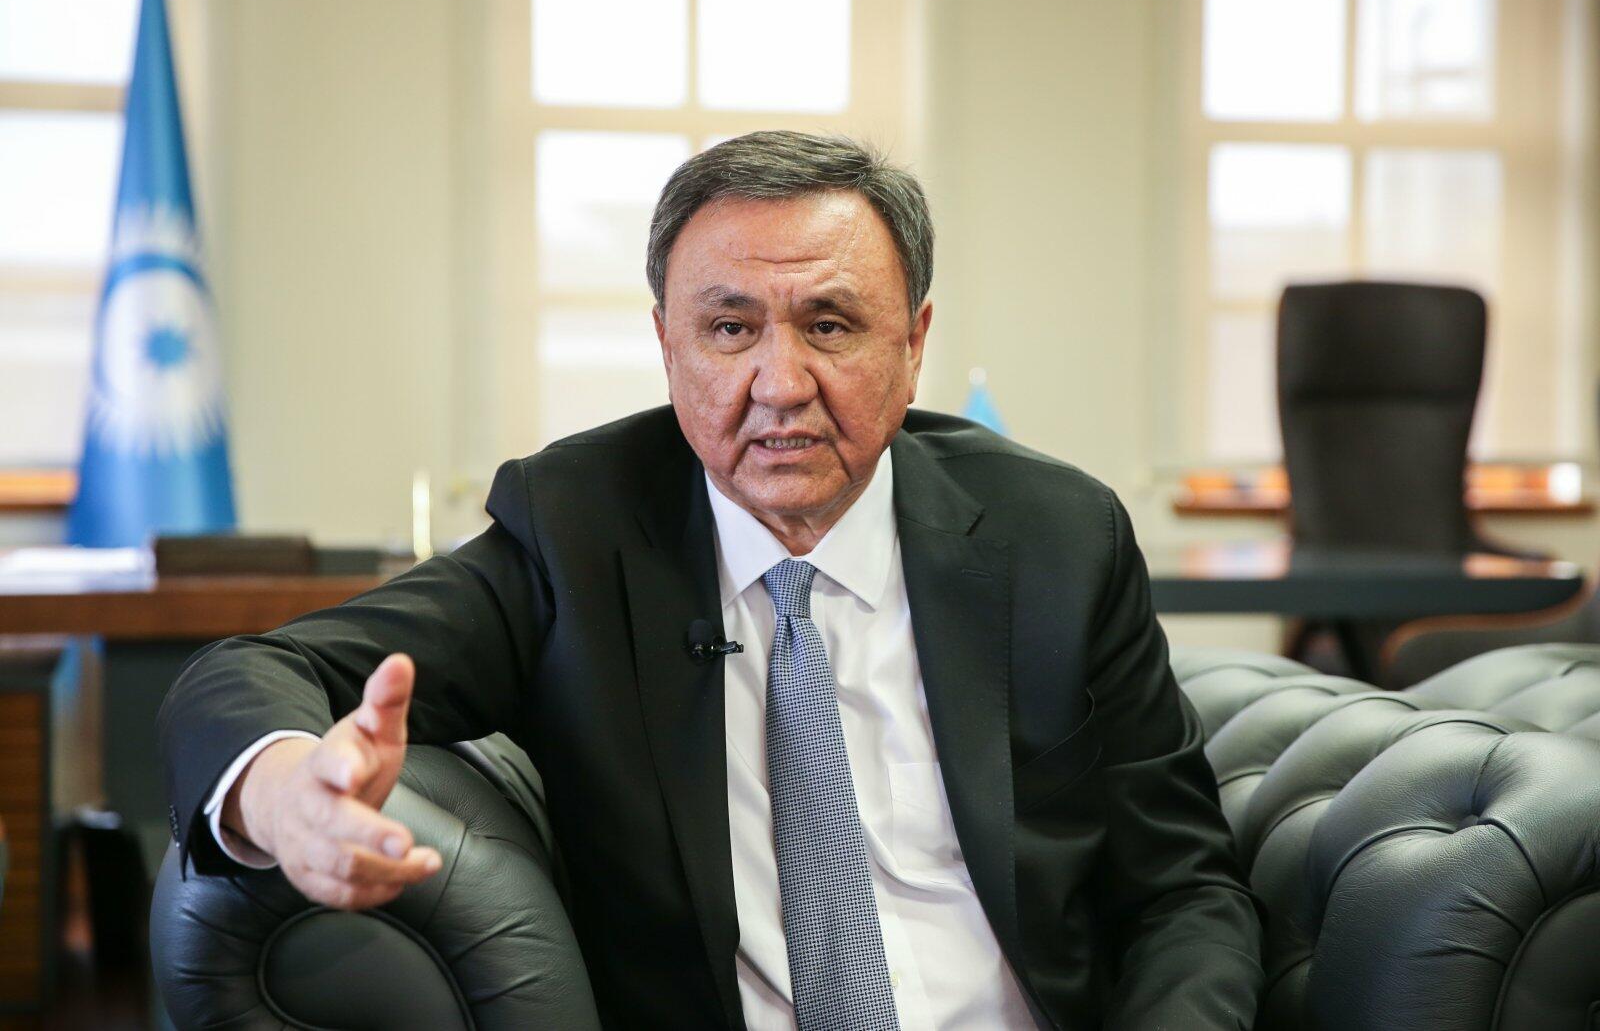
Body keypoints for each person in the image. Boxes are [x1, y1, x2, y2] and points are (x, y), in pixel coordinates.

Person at [159, 130, 1262, 1029]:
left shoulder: (1054, 538)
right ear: (667, 345)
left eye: (830, 325)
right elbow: (254, 670)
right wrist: (282, 794)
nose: (780, 383)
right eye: (730, 328)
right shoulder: (579, 532)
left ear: (914, 343)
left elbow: (1182, 891)